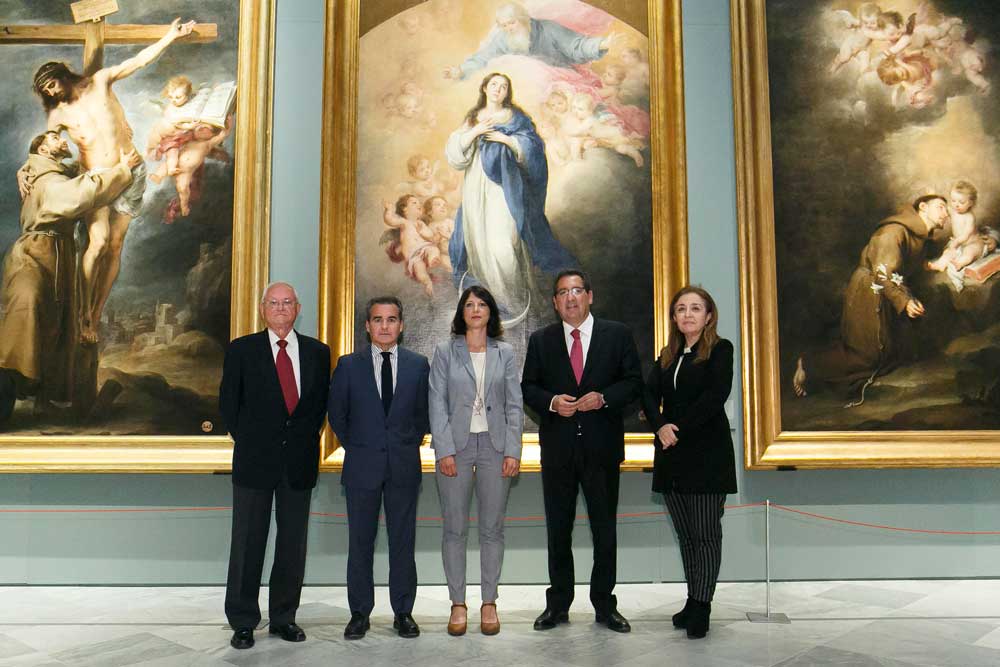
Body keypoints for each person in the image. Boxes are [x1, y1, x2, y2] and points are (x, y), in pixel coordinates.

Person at [32, 17, 195, 343]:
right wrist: (28, 171)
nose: (52, 91)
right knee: (99, 242)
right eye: (46, 90)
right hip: (96, 179)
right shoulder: (58, 114)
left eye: (52, 83)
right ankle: (81, 315)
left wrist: (169, 36)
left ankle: (95, 312)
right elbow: (44, 149)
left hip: (131, 172)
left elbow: (138, 60)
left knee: (116, 245)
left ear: (63, 75)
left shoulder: (101, 81)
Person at [521, 269, 641, 633]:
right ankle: (558, 605)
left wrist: (604, 398)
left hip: (601, 450)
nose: (570, 297)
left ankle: (605, 606)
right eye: (562, 293)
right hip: (558, 451)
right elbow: (528, 388)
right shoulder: (541, 340)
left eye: (577, 290)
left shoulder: (616, 334)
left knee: (605, 531)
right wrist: (554, 402)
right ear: (555, 302)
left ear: (590, 295)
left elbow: (634, 381)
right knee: (559, 531)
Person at [218, 282, 332, 650]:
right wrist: (255, 441)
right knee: (248, 543)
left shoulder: (317, 352)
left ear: (298, 308)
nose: (281, 309)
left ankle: (284, 617)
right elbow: (228, 408)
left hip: (297, 465)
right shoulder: (242, 350)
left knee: (291, 544)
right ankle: (243, 620)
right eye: (274, 303)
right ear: (262, 308)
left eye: (287, 303)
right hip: (254, 462)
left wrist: (296, 442)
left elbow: (317, 410)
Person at [0, 132, 137, 421]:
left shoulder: (52, 170)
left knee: (59, 325)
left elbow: (81, 176)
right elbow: (79, 194)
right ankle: (7, 389)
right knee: (28, 308)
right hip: (33, 253)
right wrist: (124, 170)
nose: (61, 139)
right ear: (41, 148)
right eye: (53, 137)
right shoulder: (46, 178)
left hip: (61, 255)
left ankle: (44, 398)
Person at [328, 297, 430, 640]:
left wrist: (402, 443)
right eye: (377, 320)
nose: (384, 326)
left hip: (403, 466)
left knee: (403, 541)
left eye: (391, 319)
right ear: (367, 326)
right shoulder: (348, 365)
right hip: (362, 467)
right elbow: (337, 416)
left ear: (401, 326)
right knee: (361, 542)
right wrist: (360, 446)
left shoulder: (418, 365)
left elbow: (423, 416)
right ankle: (359, 613)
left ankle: (403, 612)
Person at [640, 286, 737, 639]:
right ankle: (692, 599)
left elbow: (716, 396)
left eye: (696, 308)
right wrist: (660, 425)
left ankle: (703, 606)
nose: (688, 314)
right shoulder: (668, 354)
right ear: (674, 317)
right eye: (681, 309)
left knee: (706, 535)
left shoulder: (720, 350)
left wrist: (675, 427)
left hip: (707, 455)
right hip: (672, 456)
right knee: (686, 535)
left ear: (709, 316)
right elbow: (647, 394)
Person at [429, 286, 523, 636]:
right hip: (456, 446)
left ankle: (488, 603)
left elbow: (515, 403)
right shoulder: (445, 351)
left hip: (496, 446)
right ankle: (457, 604)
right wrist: (444, 451)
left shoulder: (506, 352)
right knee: (454, 528)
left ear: (490, 312)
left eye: (482, 304)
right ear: (461, 312)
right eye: (469, 304)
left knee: (492, 529)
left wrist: (513, 450)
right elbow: (436, 403)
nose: (475, 309)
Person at [445, 72, 577, 321]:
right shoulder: (474, 118)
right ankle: (490, 305)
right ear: (484, 88)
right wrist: (475, 133)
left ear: (508, 92)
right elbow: (455, 152)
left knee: (505, 242)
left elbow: (533, 146)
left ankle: (512, 300)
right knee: (481, 243)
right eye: (494, 84)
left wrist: (508, 140)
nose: (498, 89)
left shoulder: (516, 117)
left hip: (506, 187)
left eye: (503, 86)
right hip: (477, 186)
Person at [793, 194, 950, 402]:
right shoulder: (893, 232)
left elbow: (904, 267)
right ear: (923, 207)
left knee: (892, 354)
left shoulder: (920, 237)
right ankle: (809, 364)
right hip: (869, 292)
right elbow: (882, 274)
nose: (946, 214)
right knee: (866, 357)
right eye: (941, 207)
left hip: (887, 291)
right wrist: (905, 302)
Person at [442, 2, 617, 81]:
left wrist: (602, 44)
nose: (509, 28)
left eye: (512, 23)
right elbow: (483, 58)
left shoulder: (548, 28)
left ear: (523, 19)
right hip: (527, 88)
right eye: (504, 25)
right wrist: (462, 70)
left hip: (559, 78)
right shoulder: (503, 39)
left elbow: (576, 46)